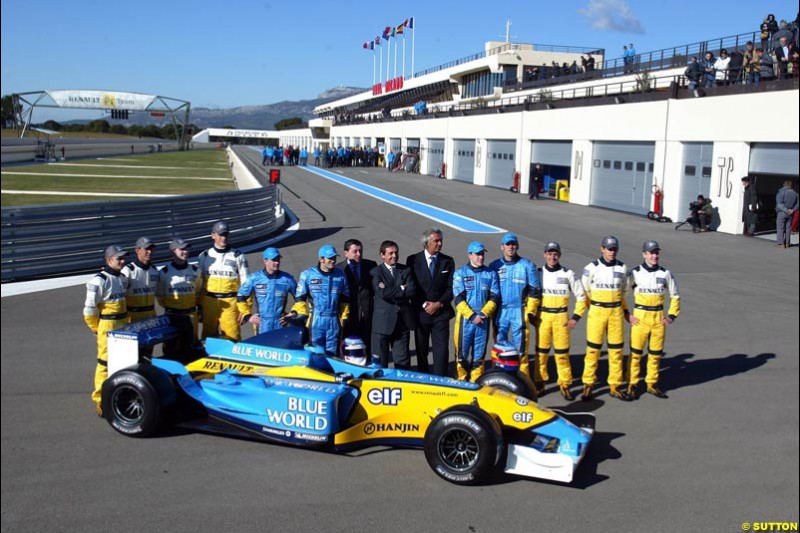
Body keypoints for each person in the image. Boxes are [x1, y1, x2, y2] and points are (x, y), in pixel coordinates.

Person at [626, 241, 681, 399]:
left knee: (655, 355)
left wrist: (671, 315)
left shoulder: (665, 273)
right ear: (644, 254)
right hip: (640, 317)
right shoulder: (634, 273)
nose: (654, 256)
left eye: (656, 253)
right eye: (651, 253)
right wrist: (627, 314)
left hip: (658, 318)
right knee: (636, 354)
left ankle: (652, 383)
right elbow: (622, 294)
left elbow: (675, 295)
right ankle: (632, 383)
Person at [534, 242, 587, 401]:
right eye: (549, 253)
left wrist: (575, 318)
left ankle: (565, 384)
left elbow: (582, 297)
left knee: (562, 354)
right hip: (543, 318)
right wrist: (531, 315)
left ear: (559, 255)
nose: (552, 257)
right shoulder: (538, 273)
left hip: (561, 318)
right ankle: (540, 381)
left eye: (555, 253)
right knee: (541, 354)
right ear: (544, 255)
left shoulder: (568, 274)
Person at [581, 236, 631, 401]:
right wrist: (594, 307)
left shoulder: (623, 268)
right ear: (602, 249)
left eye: (614, 249)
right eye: (609, 249)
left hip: (616, 312)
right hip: (597, 311)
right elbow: (585, 290)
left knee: (616, 351)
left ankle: (615, 385)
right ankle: (588, 383)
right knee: (593, 350)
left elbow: (624, 291)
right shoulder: (591, 268)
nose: (612, 252)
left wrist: (624, 310)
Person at [488, 233, 540, 381]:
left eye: (513, 244)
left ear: (517, 246)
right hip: (501, 312)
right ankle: (498, 378)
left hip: (519, 310)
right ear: (502, 247)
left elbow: (535, 291)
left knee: (521, 350)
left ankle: (523, 381)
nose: (510, 247)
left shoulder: (527, 265)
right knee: (499, 348)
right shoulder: (494, 266)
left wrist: (530, 312)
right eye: (507, 244)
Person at [84, 245, 129, 415]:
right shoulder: (98, 281)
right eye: (119, 259)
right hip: (107, 326)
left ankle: (120, 396)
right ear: (108, 260)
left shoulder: (123, 279)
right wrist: (98, 330)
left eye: (124, 258)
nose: (123, 261)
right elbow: (89, 311)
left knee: (124, 362)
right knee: (104, 364)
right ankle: (100, 400)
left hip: (123, 325)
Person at [405, 228, 456, 375]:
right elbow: (411, 286)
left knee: (441, 352)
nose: (440, 243)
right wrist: (424, 304)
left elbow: (451, 287)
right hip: (421, 313)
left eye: (441, 240)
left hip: (441, 313)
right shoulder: (413, 260)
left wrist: (438, 304)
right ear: (426, 243)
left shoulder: (447, 261)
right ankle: (424, 380)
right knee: (422, 351)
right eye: (436, 241)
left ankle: (441, 380)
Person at [453, 241, 501, 382]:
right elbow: (458, 299)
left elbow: (495, 297)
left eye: (482, 254)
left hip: (482, 321)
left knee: (479, 357)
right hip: (465, 322)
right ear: (470, 255)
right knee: (461, 356)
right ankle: (461, 383)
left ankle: (476, 385)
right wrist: (472, 316)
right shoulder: (460, 273)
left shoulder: (490, 273)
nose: (481, 257)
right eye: (478, 254)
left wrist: (484, 313)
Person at [290, 245, 351, 354]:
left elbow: (345, 299)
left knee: (333, 355)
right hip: (316, 321)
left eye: (334, 258)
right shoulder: (307, 275)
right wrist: (299, 314)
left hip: (334, 321)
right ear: (321, 259)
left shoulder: (341, 275)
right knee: (316, 354)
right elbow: (300, 299)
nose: (333, 261)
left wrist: (344, 318)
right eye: (330, 258)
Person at [198, 221, 250, 341]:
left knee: (233, 338)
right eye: (221, 235)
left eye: (226, 235)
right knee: (208, 339)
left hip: (231, 303)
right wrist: (199, 305)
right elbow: (199, 284)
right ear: (213, 235)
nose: (223, 238)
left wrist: (245, 309)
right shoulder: (204, 256)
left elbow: (246, 284)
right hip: (209, 302)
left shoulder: (238, 256)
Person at [370, 240, 416, 369]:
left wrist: (391, 290)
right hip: (382, 325)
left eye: (396, 253)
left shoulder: (405, 270)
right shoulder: (376, 272)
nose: (394, 256)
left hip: (401, 324)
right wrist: (402, 288)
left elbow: (412, 290)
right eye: (390, 253)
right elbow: (382, 293)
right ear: (382, 255)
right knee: (380, 364)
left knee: (403, 363)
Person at [157, 238, 202, 360]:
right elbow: (160, 296)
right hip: (172, 317)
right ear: (172, 252)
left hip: (191, 316)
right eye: (181, 249)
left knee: (190, 348)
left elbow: (198, 291)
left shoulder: (195, 271)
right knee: (170, 349)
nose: (185, 252)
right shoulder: (164, 273)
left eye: (186, 249)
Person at [237, 247, 298, 334]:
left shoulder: (287, 279)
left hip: (280, 323)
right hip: (261, 324)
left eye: (278, 259)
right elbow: (240, 297)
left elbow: (300, 299)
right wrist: (248, 316)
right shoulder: (254, 278)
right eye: (273, 260)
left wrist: (293, 313)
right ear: (265, 261)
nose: (277, 262)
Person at [338, 239, 377, 356]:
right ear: (346, 253)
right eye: (355, 251)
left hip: (366, 314)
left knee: (367, 345)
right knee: (348, 345)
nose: (359, 254)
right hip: (348, 314)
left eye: (360, 251)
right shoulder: (339, 269)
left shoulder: (370, 265)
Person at [122, 236, 159, 325]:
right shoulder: (128, 270)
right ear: (137, 250)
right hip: (133, 317)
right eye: (146, 249)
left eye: (151, 249)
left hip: (151, 316)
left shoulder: (154, 270)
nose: (149, 252)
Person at [775, 180, 799, 248]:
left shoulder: (781, 192)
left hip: (782, 212)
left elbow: (779, 204)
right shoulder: (795, 193)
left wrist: (786, 210)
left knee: (780, 228)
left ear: (784, 185)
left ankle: (781, 243)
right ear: (790, 185)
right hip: (791, 213)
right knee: (788, 228)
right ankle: (787, 243)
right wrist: (793, 210)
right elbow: (798, 204)